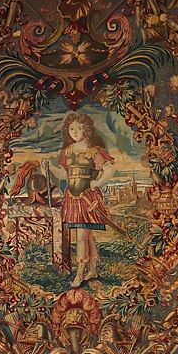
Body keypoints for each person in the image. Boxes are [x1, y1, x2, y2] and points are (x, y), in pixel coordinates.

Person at [58, 112, 116, 288]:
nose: (75, 132)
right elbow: (63, 174)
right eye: (72, 128)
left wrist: (98, 182)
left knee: (82, 235)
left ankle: (80, 272)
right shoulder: (67, 151)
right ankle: (93, 269)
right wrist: (51, 168)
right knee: (87, 236)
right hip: (72, 197)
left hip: (87, 198)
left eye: (79, 128)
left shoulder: (94, 151)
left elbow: (110, 169)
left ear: (87, 130)